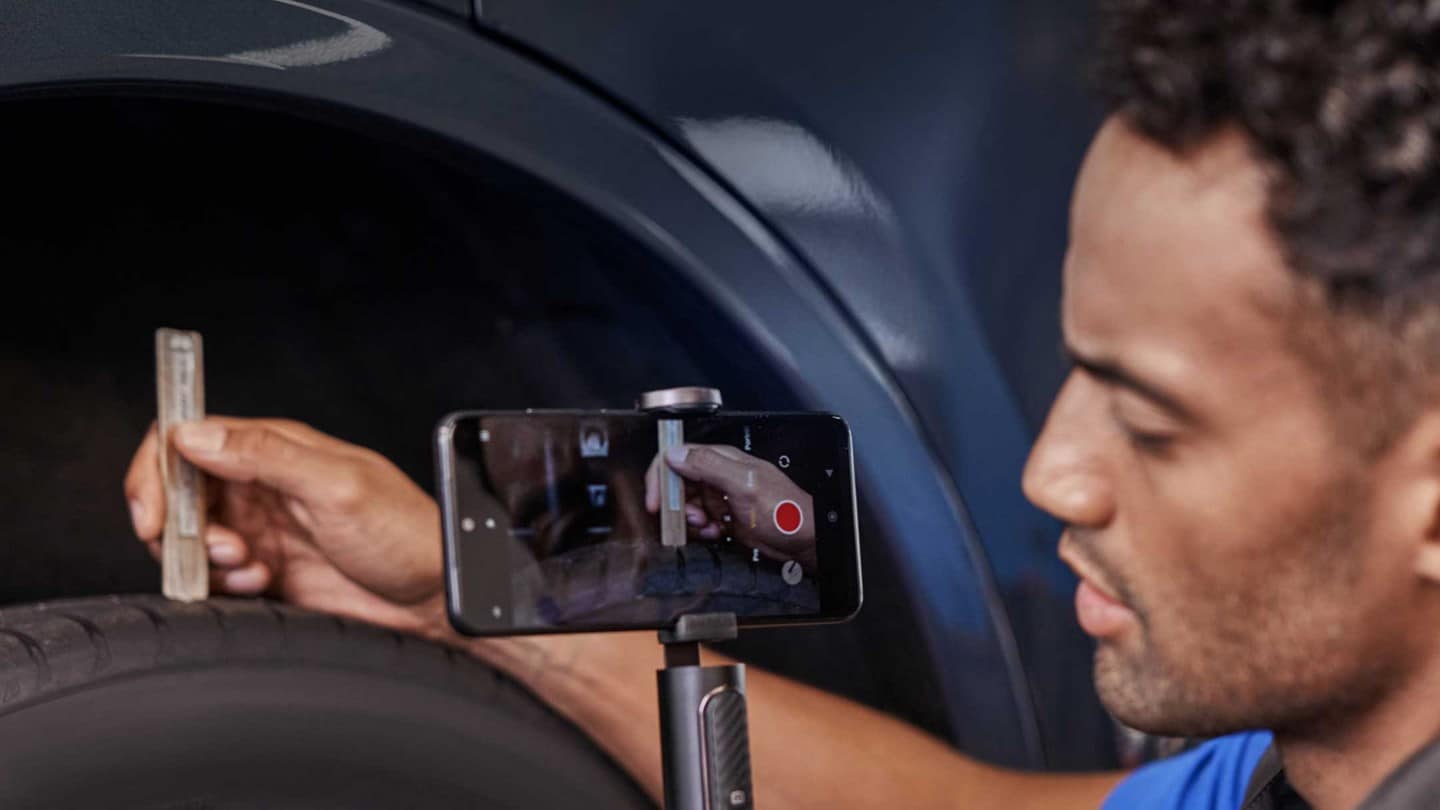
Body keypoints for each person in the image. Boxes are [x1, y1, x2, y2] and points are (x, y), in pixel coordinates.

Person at [122, 1, 1440, 807]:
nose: (1057, 474)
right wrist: (461, 602)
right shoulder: (1288, 775)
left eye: (1150, 421)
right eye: (1076, 372)